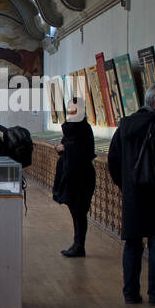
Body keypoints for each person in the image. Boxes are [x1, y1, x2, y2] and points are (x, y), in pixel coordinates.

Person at [108, 83, 155, 305]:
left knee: (132, 243)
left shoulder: (126, 124)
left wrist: (125, 186)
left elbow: (113, 160)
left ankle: (131, 294)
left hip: (134, 196)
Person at [51, 97, 96, 257]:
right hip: (69, 174)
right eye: (69, 108)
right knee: (75, 212)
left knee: (79, 212)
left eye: (73, 109)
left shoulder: (84, 129)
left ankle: (79, 245)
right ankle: (77, 244)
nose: (70, 112)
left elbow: (87, 151)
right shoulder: (71, 128)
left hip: (82, 176)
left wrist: (66, 147)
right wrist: (62, 148)